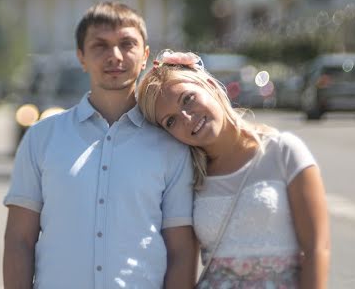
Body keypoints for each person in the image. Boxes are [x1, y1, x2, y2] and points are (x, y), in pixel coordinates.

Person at [3, 2, 197, 289]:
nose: (115, 56)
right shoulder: (41, 138)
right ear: (81, 57)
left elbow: (181, 253)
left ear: (144, 56)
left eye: (127, 44)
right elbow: (19, 240)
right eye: (100, 46)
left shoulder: (171, 146)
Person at [137, 50, 330, 289]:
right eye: (171, 121)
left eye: (187, 99)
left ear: (209, 85)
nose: (186, 118)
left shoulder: (284, 151)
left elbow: (316, 249)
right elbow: (181, 259)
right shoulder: (188, 176)